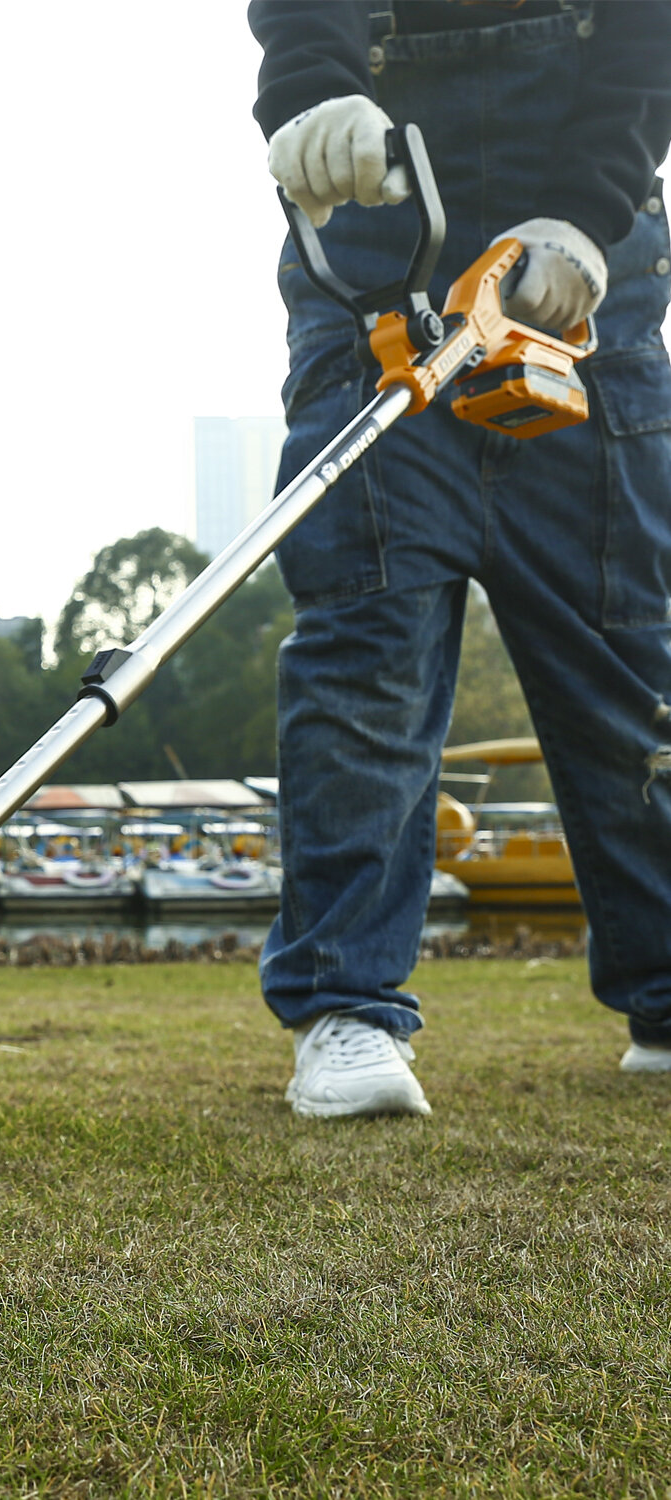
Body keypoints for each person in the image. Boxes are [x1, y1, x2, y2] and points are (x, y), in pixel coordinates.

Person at [249, 1, 671, 1117]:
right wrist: (311, 103)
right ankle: (346, 1006)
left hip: (586, 282)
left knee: (627, 667)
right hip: (380, 275)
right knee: (366, 660)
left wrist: (585, 210)